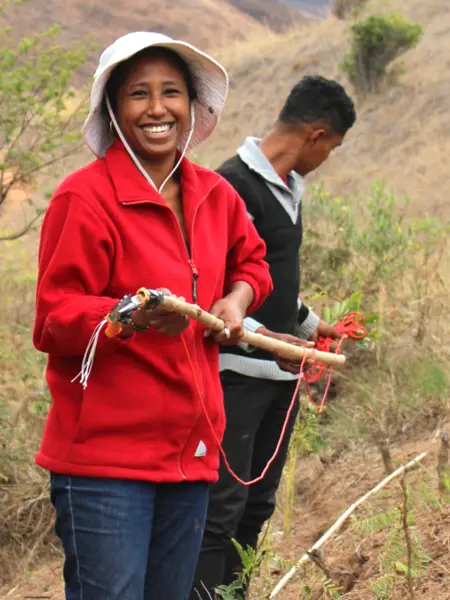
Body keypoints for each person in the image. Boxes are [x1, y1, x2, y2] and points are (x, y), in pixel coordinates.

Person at [32, 31, 273, 600]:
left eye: (171, 92)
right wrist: (135, 315)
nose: (157, 108)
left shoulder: (216, 195)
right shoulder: (84, 199)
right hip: (105, 464)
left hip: (190, 455)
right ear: (114, 109)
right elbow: (54, 319)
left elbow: (253, 264)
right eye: (139, 94)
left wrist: (235, 303)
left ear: (193, 106)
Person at [191, 75, 356, 599]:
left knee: (257, 505)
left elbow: (268, 279)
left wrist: (309, 325)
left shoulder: (288, 188)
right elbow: (216, 293)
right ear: (316, 133)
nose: (328, 157)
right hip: (236, 379)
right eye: (332, 147)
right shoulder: (229, 187)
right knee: (220, 510)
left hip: (277, 376)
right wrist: (282, 346)